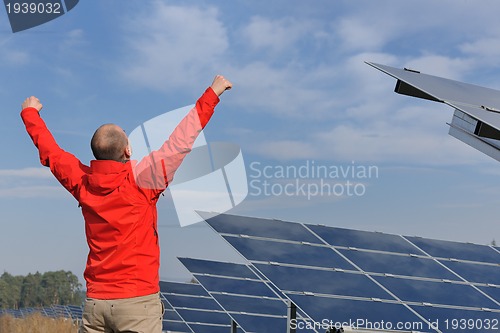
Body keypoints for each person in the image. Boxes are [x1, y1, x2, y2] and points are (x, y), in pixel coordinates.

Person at [20, 75, 232, 333]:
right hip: (137, 304)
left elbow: (51, 153)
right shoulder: (144, 180)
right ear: (127, 151)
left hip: (96, 305)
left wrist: (30, 114)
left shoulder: (82, 182)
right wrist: (213, 93)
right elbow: (182, 139)